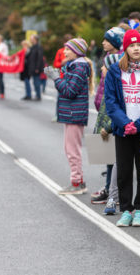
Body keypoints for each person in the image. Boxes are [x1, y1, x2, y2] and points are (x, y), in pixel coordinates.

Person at [104, 29, 140, 227]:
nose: (136, 48)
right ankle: (126, 209)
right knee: (123, 171)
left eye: (139, 45)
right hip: (123, 129)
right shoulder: (115, 71)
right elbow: (111, 101)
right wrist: (125, 123)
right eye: (132, 45)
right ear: (126, 48)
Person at [44, 38, 94, 195]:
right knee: (70, 149)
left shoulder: (79, 68)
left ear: (77, 51)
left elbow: (69, 91)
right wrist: (59, 75)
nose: (64, 52)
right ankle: (78, 181)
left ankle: (77, 183)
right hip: (72, 113)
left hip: (74, 114)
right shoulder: (74, 66)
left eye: (67, 49)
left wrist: (56, 77)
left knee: (73, 150)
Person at [90, 26, 125, 205]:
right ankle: (110, 189)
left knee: (113, 159)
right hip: (105, 117)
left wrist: (109, 124)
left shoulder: (114, 62)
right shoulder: (109, 61)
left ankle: (113, 192)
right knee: (108, 158)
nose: (103, 42)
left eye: (107, 40)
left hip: (111, 121)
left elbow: (114, 102)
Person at [23, 34, 44, 101]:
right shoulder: (32, 47)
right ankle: (36, 95)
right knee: (34, 82)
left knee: (36, 82)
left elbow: (39, 59)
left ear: (35, 39)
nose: (31, 40)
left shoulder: (38, 47)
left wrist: (37, 68)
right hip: (31, 67)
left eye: (32, 38)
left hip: (36, 68)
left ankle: (38, 95)